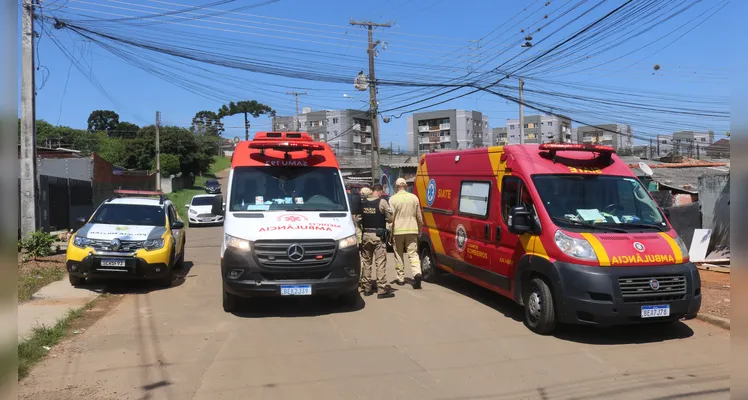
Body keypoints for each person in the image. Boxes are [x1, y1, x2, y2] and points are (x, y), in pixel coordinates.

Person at [359, 184, 394, 298]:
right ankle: (382, 289)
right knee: (380, 263)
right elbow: (390, 218)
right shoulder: (382, 202)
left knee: (366, 262)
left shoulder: (362, 202)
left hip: (366, 235)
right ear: (379, 191)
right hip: (378, 236)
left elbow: (358, 219)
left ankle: (366, 288)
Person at [389, 178, 424, 289]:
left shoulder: (393, 199)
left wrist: (390, 232)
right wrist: (419, 229)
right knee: (413, 254)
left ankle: (400, 278)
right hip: (412, 229)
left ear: (396, 186)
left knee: (398, 254)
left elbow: (391, 218)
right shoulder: (414, 198)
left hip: (398, 231)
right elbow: (419, 216)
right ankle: (417, 273)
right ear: (406, 185)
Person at [354, 186, 373, 294]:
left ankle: (364, 280)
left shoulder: (359, 205)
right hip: (363, 234)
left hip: (360, 234)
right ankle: (363, 280)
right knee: (365, 260)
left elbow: (357, 220)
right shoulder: (366, 205)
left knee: (364, 259)